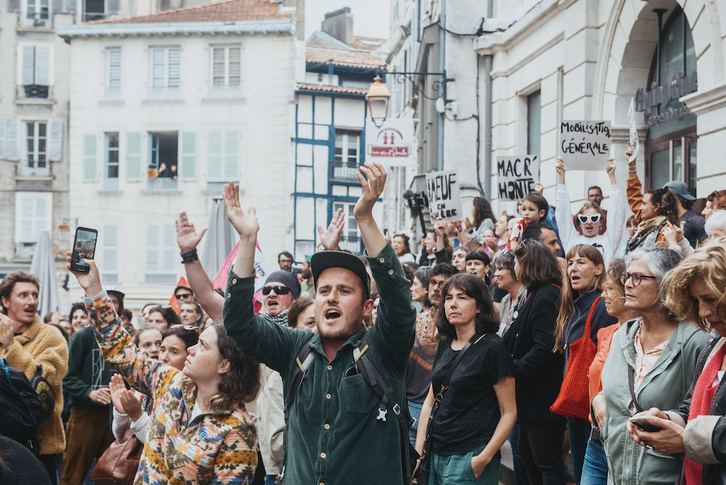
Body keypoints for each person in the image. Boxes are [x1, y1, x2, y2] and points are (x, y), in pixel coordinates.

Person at [222, 161, 417, 484]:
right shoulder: (294, 348)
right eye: (324, 290)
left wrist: (365, 218)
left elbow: (398, 299)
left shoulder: (383, 350)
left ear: (368, 306)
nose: (331, 297)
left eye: (344, 291)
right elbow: (239, 324)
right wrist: (246, 240)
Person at [67, 254, 262, 484]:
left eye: (202, 346)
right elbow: (121, 351)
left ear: (224, 364)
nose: (191, 350)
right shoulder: (172, 382)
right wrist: (94, 290)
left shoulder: (237, 430)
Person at [598, 247, 709, 485]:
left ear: (666, 284)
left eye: (638, 277)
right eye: (626, 276)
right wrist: (598, 398)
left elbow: (700, 412)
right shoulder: (621, 336)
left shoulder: (695, 341)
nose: (627, 284)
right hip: (616, 476)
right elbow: (619, 392)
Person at [625, 238, 726, 484]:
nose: (702, 312)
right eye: (696, 301)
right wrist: (664, 419)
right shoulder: (716, 346)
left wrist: (687, 438)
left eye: (710, 299)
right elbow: (690, 409)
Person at [415, 274, 517, 484]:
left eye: (462, 298)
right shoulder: (445, 343)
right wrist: (419, 450)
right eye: (449, 298)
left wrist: (484, 457)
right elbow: (430, 401)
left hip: (470, 453)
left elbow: (509, 412)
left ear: (478, 306)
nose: (453, 304)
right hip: (436, 450)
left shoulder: (492, 348)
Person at [551, 245, 617, 484]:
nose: (573, 268)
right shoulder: (573, 307)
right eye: (570, 263)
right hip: (577, 405)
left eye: (581, 262)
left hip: (594, 407)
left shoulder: (601, 305)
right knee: (579, 469)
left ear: (599, 269)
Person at [502, 240, 566, 485]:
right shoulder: (534, 294)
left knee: (546, 462)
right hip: (532, 398)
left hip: (543, 399)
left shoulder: (547, 295)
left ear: (528, 265)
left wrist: (513, 370)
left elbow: (545, 347)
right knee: (528, 457)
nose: (514, 268)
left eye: (517, 263)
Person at [0, 272, 68, 484]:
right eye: (23, 295)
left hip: (39, 446)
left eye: (35, 295)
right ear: (5, 301)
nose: (32, 301)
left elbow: (43, 381)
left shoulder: (50, 336)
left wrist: (11, 345)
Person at [580, 258, 636, 485]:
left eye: (610, 289)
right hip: (596, 440)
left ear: (628, 291)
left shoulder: (647, 339)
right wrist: (596, 397)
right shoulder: (606, 333)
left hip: (626, 442)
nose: (603, 295)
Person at [258, 296, 317, 485]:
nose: (318, 329)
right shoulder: (280, 378)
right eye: (310, 323)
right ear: (292, 332)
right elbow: (276, 444)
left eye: (323, 320)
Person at [61, 303, 114, 485]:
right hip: (85, 413)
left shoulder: (119, 338)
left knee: (110, 475)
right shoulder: (81, 336)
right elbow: (66, 376)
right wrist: (89, 392)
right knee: (73, 474)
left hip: (114, 415)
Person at [406, 265, 457, 447]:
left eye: (442, 284)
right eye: (433, 283)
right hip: (409, 406)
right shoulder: (417, 319)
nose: (435, 288)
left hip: (439, 410)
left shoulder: (458, 326)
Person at [555, 157, 625, 265]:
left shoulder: (608, 241)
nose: (589, 222)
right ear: (579, 222)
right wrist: (561, 176)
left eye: (594, 218)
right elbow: (562, 214)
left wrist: (612, 177)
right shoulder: (571, 239)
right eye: (583, 218)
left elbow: (617, 214)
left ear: (601, 221)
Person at [625, 154, 680, 253]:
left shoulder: (666, 232)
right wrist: (631, 166)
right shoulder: (645, 222)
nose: (640, 208)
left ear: (656, 207)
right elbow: (633, 195)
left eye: (644, 204)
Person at [664, 180, 708, 248]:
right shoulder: (669, 220)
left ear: (674, 195)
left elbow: (708, 248)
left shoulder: (696, 219)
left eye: (665, 195)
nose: (662, 199)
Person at [493, 251, 525, 338]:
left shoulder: (527, 297)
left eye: (500, 269)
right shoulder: (505, 300)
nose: (495, 274)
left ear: (514, 269)